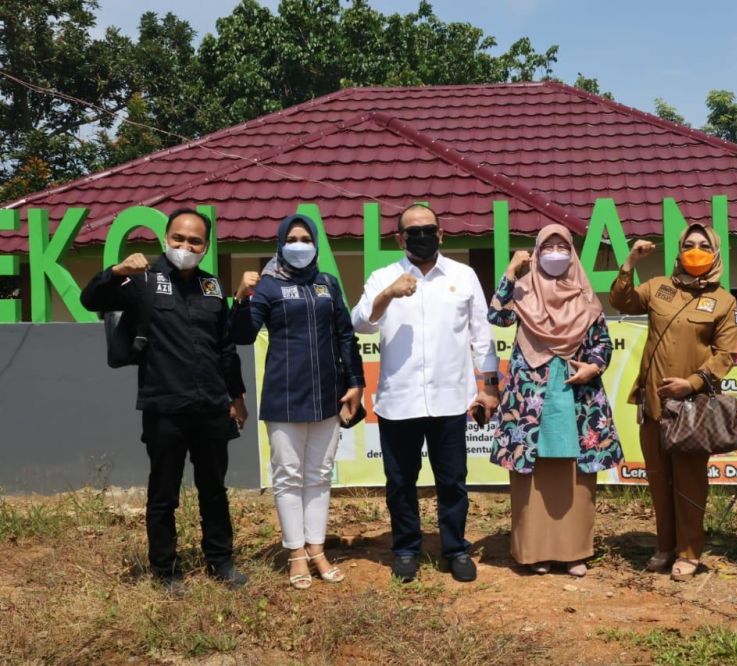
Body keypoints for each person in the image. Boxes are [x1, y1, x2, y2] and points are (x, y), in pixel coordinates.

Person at [80, 208, 248, 594]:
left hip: (210, 407)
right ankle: (166, 570)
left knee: (214, 490)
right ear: (165, 239)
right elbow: (91, 299)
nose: (185, 246)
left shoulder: (211, 287)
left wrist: (236, 397)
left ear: (205, 247)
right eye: (178, 238)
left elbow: (225, 348)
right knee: (163, 492)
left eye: (194, 241)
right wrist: (117, 271)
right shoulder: (143, 281)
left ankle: (220, 561)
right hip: (164, 408)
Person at [351, 203, 500, 583]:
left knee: (452, 481)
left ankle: (455, 549)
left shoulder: (463, 276)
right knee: (401, 481)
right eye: (412, 231)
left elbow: (481, 337)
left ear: (441, 233)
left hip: (452, 398)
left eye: (428, 229)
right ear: (399, 238)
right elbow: (360, 323)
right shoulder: (383, 276)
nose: (421, 236)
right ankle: (405, 548)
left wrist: (489, 389)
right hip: (398, 401)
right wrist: (388, 293)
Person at [229, 214, 365, 589]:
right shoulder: (268, 286)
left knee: (320, 475)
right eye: (293, 238)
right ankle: (295, 553)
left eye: (306, 238)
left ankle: (317, 549)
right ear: (280, 243)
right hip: (284, 396)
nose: (300, 245)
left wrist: (356, 383)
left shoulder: (328, 284)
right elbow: (241, 334)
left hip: (327, 394)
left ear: (316, 244)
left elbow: (345, 336)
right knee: (288, 476)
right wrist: (241, 298)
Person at [489, 225, 622, 577]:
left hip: (577, 396)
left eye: (562, 246)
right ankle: (535, 552)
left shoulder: (584, 297)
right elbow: (497, 317)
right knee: (532, 478)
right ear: (535, 252)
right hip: (529, 400)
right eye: (547, 246)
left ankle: (573, 551)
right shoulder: (522, 291)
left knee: (575, 477)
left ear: (573, 253)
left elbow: (602, 343)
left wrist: (593, 367)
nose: (555, 252)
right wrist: (510, 271)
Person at [610, 224, 737, 582]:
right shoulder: (658, 288)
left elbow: (726, 352)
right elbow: (620, 301)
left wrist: (694, 382)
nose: (694, 251)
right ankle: (665, 546)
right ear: (678, 251)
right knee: (659, 480)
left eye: (703, 245)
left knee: (689, 481)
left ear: (715, 254)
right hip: (653, 403)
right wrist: (629, 263)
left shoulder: (724, 301)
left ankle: (689, 551)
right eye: (688, 244)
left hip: (691, 408)